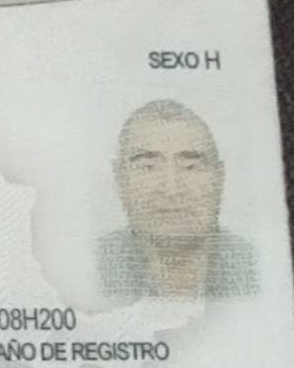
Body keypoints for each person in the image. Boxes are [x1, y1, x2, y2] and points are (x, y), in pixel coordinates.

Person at [97, 99, 258, 302]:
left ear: (219, 178)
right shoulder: (86, 266)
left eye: (191, 167)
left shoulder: (262, 267)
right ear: (120, 178)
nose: (171, 190)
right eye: (148, 167)